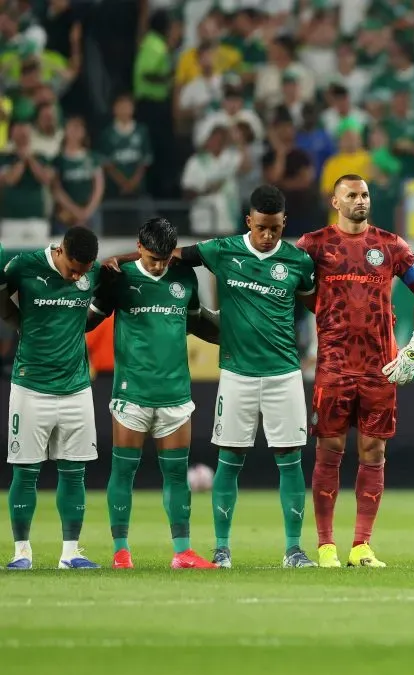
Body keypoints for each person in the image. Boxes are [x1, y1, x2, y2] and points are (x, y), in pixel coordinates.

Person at [110, 185, 318, 568]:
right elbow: (167, 256)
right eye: (261, 228)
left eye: (274, 228)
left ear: (284, 223)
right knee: (230, 459)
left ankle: (294, 549)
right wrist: (115, 261)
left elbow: (314, 304)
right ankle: (221, 548)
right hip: (237, 373)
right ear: (248, 222)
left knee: (290, 460)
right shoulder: (221, 250)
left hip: (284, 373)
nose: (268, 235)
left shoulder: (298, 262)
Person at [298, 174, 414, 569]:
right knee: (330, 451)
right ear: (335, 202)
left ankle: (362, 546)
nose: (361, 201)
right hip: (334, 367)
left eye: (365, 195)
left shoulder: (391, 246)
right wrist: (320, 315)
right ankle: (326, 546)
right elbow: (291, 287)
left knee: (374, 451)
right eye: (352, 195)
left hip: (380, 367)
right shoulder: (313, 245)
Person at [87, 217, 220, 569]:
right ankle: (120, 551)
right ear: (140, 247)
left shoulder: (183, 277)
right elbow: (89, 321)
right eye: (153, 257)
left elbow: (194, 323)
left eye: (164, 257)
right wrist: (102, 281)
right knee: (123, 472)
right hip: (132, 392)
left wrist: (233, 333)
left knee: (176, 475)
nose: (159, 264)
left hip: (175, 391)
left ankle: (183, 552)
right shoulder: (120, 278)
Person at [3, 226, 101, 570]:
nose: (77, 277)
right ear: (60, 250)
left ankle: (70, 552)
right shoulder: (24, 266)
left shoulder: (92, 274)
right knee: (25, 471)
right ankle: (21, 553)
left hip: (76, 388)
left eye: (83, 272)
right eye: (73, 269)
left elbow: (106, 293)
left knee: (75, 473)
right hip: (31, 387)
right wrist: (18, 321)